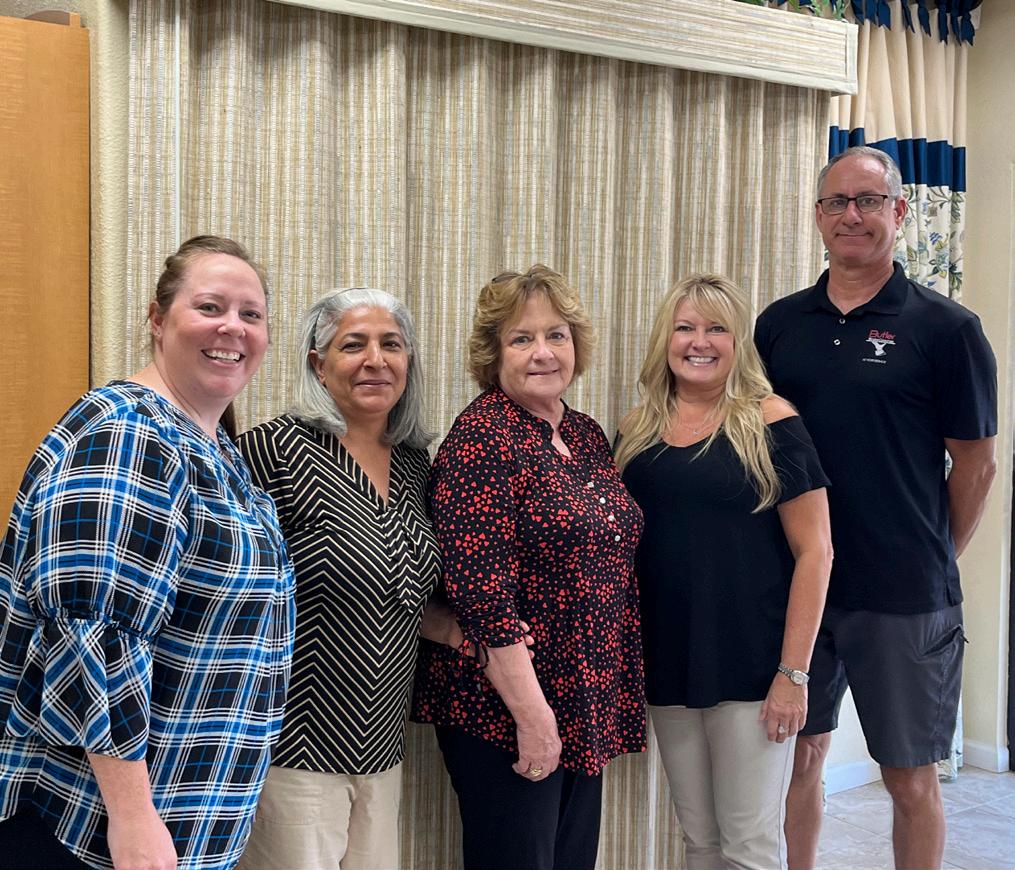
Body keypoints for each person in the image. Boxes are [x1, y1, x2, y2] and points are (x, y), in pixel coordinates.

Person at [0, 235, 295, 870]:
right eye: (210, 307)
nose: (233, 328)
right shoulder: (129, 434)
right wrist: (133, 816)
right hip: (92, 826)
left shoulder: (214, 448)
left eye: (251, 314)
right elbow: (93, 635)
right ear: (158, 319)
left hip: (183, 817)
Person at [754, 145, 998, 870]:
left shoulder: (947, 330)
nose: (851, 215)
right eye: (836, 202)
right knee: (798, 758)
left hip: (902, 594)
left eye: (868, 200)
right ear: (818, 217)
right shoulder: (779, 325)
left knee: (909, 778)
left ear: (899, 210)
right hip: (798, 585)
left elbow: (976, 465)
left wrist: (931, 556)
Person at [411, 265, 646, 870]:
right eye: (522, 338)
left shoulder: (585, 434)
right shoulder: (481, 438)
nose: (543, 352)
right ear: (494, 355)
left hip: (583, 696)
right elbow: (481, 593)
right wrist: (533, 716)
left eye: (556, 335)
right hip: (508, 706)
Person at [616, 273, 832, 869]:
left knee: (750, 847)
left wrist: (793, 675)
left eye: (717, 328)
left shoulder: (771, 423)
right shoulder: (634, 432)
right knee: (700, 841)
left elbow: (816, 552)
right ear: (665, 339)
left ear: (739, 342)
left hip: (754, 668)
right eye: (685, 327)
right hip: (668, 664)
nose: (699, 341)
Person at [235, 288, 445, 870]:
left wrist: (454, 629)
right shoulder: (271, 452)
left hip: (383, 743)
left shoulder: (414, 461)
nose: (376, 360)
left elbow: (395, 586)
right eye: (353, 345)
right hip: (294, 745)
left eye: (391, 345)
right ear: (318, 363)